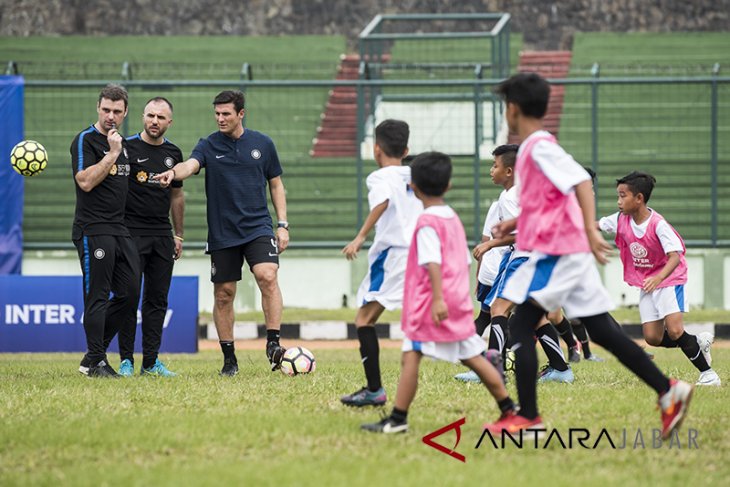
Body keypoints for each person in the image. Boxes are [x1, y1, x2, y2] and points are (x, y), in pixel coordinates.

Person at [483, 73, 693, 440]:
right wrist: (514, 223)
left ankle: (528, 417)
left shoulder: (536, 147)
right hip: (564, 253)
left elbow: (579, 180)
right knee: (601, 331)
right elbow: (550, 201)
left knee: (519, 323)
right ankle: (667, 390)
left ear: (512, 109)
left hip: (557, 254)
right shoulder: (537, 148)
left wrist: (592, 230)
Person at [361, 152, 517, 433]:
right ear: (448, 186)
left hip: (432, 305)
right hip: (456, 301)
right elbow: (463, 261)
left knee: (411, 354)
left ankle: (398, 419)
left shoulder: (426, 223)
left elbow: (432, 261)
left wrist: (437, 298)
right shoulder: (451, 218)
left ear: (412, 187)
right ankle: (509, 409)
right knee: (472, 355)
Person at [155, 90, 289, 376]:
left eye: (226, 114)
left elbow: (276, 184)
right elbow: (190, 165)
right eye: (216, 114)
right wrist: (173, 174)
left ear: (241, 114)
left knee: (268, 275)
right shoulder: (208, 144)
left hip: (258, 227)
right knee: (224, 295)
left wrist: (282, 223)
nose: (220, 119)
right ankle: (229, 359)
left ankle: (273, 343)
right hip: (222, 232)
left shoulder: (263, 144)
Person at [456, 144, 574, 384]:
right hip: (536, 257)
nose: (491, 170)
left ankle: (492, 370)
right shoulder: (521, 192)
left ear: (509, 171)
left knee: (498, 310)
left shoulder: (511, 197)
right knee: (535, 316)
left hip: (524, 258)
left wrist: (491, 244)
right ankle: (561, 369)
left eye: (495, 165)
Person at [599, 171, 720, 386]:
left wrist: (658, 278)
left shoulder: (658, 225)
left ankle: (708, 374)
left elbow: (675, 256)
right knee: (652, 338)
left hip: (669, 280)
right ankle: (695, 342)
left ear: (639, 199)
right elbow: (594, 226)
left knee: (674, 329)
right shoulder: (620, 220)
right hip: (648, 283)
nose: (618, 201)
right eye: (617, 196)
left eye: (622, 196)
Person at [340, 119, 423, 407]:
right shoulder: (414, 174)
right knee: (424, 324)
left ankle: (374, 390)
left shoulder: (379, 177)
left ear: (376, 150)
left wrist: (360, 237)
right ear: (406, 148)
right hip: (418, 253)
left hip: (393, 255)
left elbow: (382, 202)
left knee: (363, 319)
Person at [72, 84, 140, 378]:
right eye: (106, 110)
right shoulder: (86, 140)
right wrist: (112, 154)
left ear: (125, 112)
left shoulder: (123, 144)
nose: (111, 116)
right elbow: (85, 182)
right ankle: (97, 361)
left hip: (120, 229)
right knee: (97, 296)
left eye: (117, 111)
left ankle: (91, 356)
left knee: (129, 293)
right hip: (93, 228)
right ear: (98, 108)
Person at [114, 96, 185, 377]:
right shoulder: (127, 148)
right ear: (143, 117)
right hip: (130, 233)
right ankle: (126, 361)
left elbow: (177, 197)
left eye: (160, 117)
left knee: (157, 299)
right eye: (150, 116)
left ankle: (151, 362)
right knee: (128, 297)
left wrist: (178, 234)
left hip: (161, 235)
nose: (154, 121)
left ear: (169, 122)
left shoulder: (174, 154)